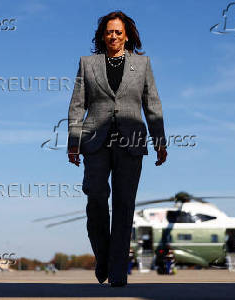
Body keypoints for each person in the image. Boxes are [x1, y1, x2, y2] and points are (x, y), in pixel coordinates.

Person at [67, 11, 167, 287]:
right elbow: (77, 105)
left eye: (118, 32)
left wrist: (160, 141)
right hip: (95, 142)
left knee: (124, 206)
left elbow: (152, 105)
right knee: (96, 198)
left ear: (127, 35)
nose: (113, 36)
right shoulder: (87, 64)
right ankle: (103, 256)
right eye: (109, 32)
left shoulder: (143, 64)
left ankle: (118, 271)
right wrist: (73, 142)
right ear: (102, 35)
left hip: (131, 142)